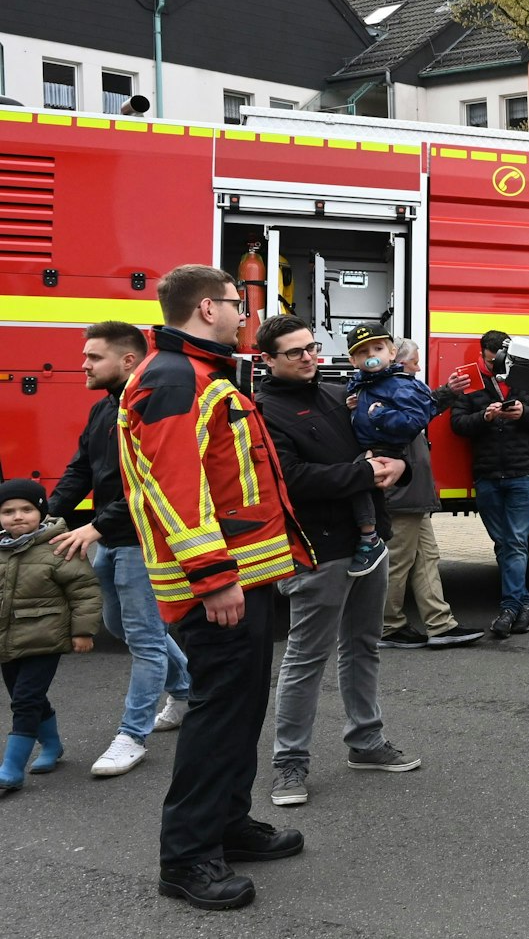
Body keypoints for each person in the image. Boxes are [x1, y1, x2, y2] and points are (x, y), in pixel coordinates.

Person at [121, 264, 310, 911]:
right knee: (219, 714)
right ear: (207, 307)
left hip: (241, 578)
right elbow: (177, 489)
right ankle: (187, 858)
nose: (243, 314)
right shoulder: (175, 378)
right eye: (237, 303)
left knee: (240, 710)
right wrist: (213, 578)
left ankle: (228, 824)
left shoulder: (197, 374)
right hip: (218, 587)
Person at [255, 314, 422, 810]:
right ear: (268, 360)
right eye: (294, 352)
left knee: (364, 646)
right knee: (305, 659)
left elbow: (381, 448)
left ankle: (366, 742)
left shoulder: (336, 392)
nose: (307, 357)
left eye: (311, 347)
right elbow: (291, 479)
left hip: (370, 540)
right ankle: (289, 762)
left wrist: (399, 465)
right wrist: (363, 474)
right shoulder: (263, 410)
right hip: (316, 549)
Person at [47, 321, 192, 779]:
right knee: (120, 626)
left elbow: (152, 486)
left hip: (143, 542)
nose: (83, 364)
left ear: (128, 361)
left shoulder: (151, 409)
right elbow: (80, 469)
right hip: (110, 538)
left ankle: (132, 736)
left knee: (145, 639)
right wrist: (47, 517)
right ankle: (188, 688)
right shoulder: (102, 411)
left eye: (93, 357)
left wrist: (94, 527)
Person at [379, 338, 484, 650]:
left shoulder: (391, 391)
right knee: (399, 561)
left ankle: (440, 625)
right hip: (404, 493)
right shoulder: (394, 390)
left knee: (425, 559)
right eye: (415, 362)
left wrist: (447, 392)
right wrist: (446, 393)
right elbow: (414, 417)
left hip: (412, 492)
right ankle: (387, 626)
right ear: (399, 361)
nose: (420, 367)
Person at [451, 329, 529, 638]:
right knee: (506, 543)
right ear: (481, 353)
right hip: (487, 474)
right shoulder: (470, 380)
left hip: (523, 472)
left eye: (499, 360)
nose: (494, 365)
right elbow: (457, 424)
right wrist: (484, 417)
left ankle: (509, 608)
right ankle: (523, 605)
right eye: (489, 359)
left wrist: (523, 413)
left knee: (514, 542)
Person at [0, 479, 101, 792]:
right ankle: (53, 745)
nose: (17, 516)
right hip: (7, 640)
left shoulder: (60, 545)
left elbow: (84, 591)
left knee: (26, 701)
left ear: (41, 512)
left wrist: (82, 631)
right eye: (8, 511)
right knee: (23, 695)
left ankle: (11, 768)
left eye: (26, 509)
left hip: (45, 638)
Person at [340, 323, 442, 579]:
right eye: (363, 352)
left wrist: (381, 414)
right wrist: (353, 402)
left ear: (392, 352)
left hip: (387, 452)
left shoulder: (401, 385)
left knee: (356, 479)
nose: (371, 355)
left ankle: (369, 538)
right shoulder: (365, 383)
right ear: (353, 360)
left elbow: (413, 423)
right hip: (371, 448)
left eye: (377, 348)